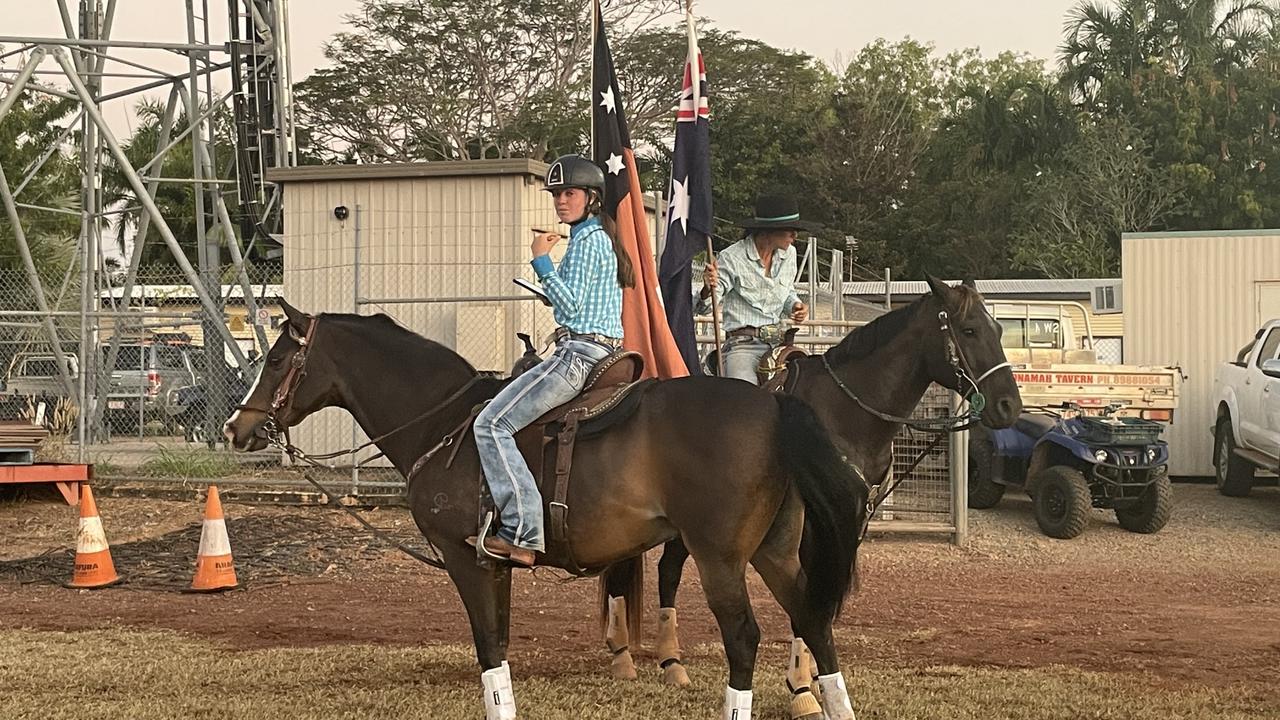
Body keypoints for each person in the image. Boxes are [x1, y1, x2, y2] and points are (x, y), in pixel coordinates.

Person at [468, 154, 635, 566]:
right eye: (557, 194)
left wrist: (540, 259)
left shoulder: (586, 242)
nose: (561, 201)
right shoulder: (599, 238)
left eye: (570, 193)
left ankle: (522, 533)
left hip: (579, 354)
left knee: (490, 423)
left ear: (591, 198)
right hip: (603, 350)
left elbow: (571, 310)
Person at [697, 194, 817, 384]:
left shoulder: (790, 255)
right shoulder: (731, 258)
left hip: (781, 344)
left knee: (813, 384)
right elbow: (704, 307)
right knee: (745, 395)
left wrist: (795, 305)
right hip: (742, 346)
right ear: (768, 231)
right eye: (790, 230)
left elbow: (787, 292)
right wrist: (707, 288)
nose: (795, 236)